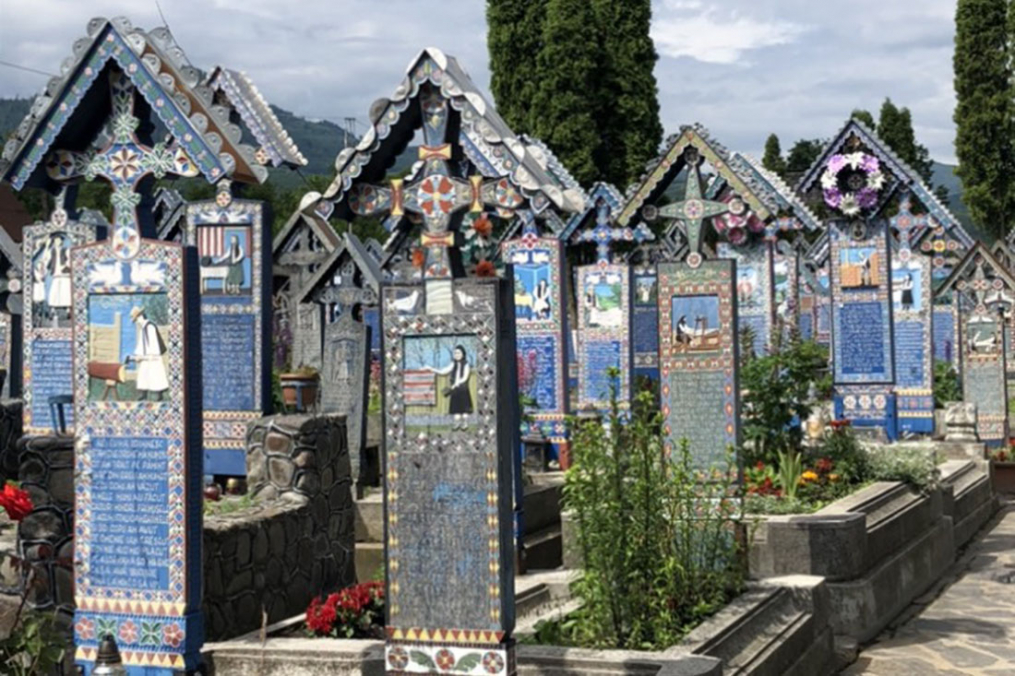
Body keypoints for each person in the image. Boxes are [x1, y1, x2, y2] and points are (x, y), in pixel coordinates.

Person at [427, 344, 473, 430]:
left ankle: (465, 424)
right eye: (455, 353)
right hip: (454, 391)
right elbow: (444, 371)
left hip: (463, 390)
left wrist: (457, 383)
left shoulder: (466, 364)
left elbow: (465, 377)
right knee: (456, 410)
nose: (457, 355)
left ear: (463, 354)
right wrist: (432, 369)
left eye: (458, 353)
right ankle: (457, 424)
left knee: (465, 410)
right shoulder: (453, 364)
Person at [130, 306, 169, 401]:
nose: (137, 322)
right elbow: (142, 345)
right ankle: (143, 394)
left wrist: (146, 357)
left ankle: (159, 395)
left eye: (137, 319)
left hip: (153, 357)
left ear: (141, 316)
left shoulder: (150, 327)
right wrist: (138, 356)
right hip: (146, 357)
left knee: (156, 375)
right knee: (143, 374)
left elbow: (153, 346)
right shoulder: (143, 328)